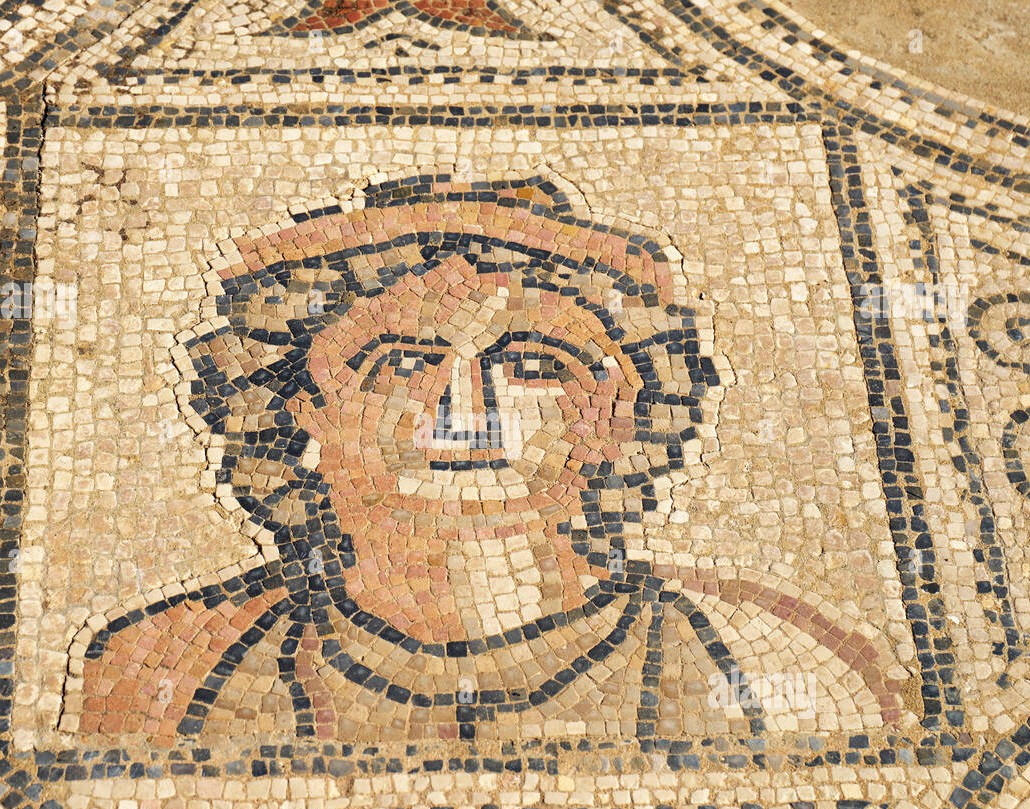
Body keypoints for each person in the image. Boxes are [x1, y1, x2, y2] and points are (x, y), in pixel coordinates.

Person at [59, 171, 904, 743]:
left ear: (615, 417)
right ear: (306, 411)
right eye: (401, 365)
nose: (466, 416)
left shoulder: (774, 668)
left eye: (534, 365)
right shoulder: (156, 673)